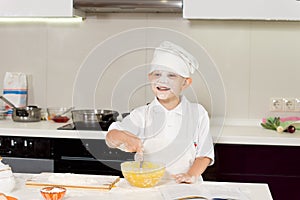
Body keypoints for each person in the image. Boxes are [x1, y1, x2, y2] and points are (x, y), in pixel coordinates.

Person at [105, 41, 214, 184]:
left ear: (185, 83)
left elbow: (204, 155)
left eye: (171, 76)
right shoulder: (141, 115)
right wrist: (125, 138)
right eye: (157, 74)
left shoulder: (198, 113)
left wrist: (190, 176)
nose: (163, 81)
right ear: (150, 78)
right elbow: (111, 137)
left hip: (187, 187)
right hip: (150, 186)